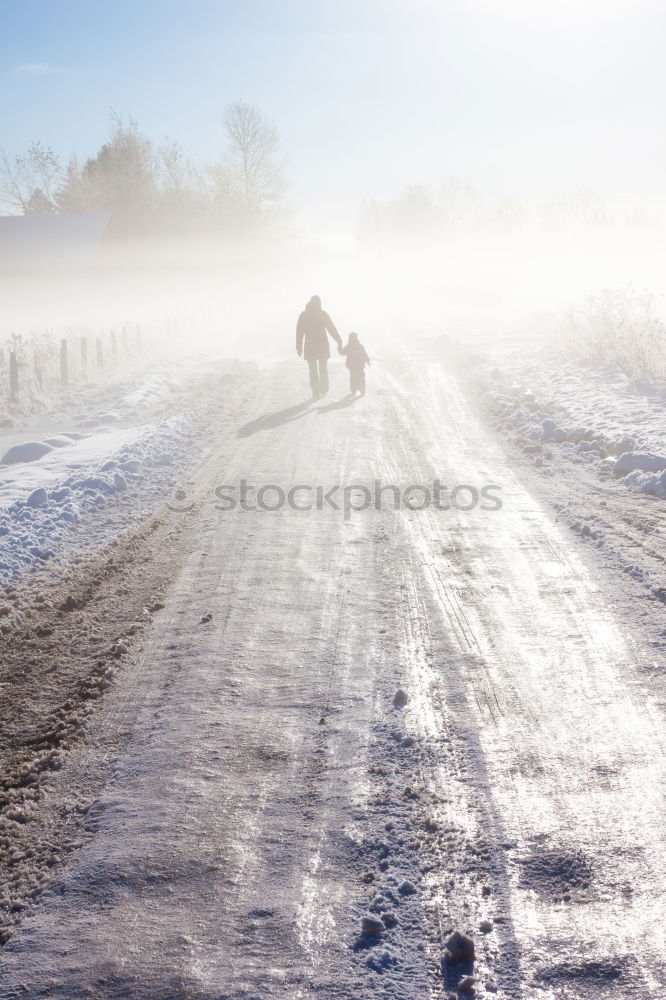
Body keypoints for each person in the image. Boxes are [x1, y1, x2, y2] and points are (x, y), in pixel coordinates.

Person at [296, 295, 342, 399]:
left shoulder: (304, 315)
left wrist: (298, 346)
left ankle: (316, 391)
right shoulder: (322, 314)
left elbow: (299, 332)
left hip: (310, 346)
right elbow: (332, 329)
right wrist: (339, 341)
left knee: (313, 370)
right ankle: (324, 390)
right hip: (322, 346)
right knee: (323, 369)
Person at [339, 331, 371, 396]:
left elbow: (342, 352)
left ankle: (354, 389)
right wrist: (367, 361)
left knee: (353, 376)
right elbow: (364, 354)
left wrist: (339, 348)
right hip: (359, 365)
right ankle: (362, 389)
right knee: (361, 376)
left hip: (352, 365)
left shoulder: (349, 346)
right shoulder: (359, 346)